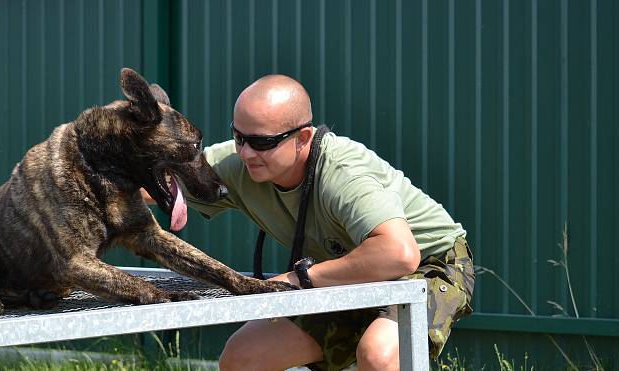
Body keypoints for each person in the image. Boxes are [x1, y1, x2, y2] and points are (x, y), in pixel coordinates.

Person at [146, 74, 474, 371]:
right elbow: (156, 181)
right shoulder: (240, 164)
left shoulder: (343, 173)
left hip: (430, 262)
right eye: (238, 136)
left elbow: (399, 253)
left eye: (261, 142)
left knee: (379, 355)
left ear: (303, 137)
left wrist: (299, 278)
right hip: (348, 271)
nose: (246, 153)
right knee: (242, 358)